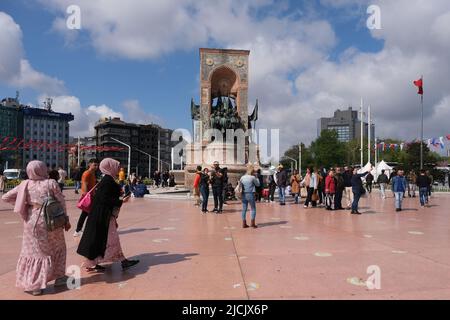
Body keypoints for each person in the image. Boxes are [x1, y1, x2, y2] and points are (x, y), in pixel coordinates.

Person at [1, 161, 71, 296]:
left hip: (31, 221)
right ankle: (59, 277)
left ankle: (35, 286)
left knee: (35, 252)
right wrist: (66, 220)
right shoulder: (51, 183)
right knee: (58, 247)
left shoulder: (25, 184)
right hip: (51, 221)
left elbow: (6, 197)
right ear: (43, 169)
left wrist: (26, 204)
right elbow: (61, 202)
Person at [77, 158, 139, 272]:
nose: (118, 169)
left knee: (102, 239)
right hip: (103, 216)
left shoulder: (106, 179)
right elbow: (104, 199)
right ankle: (123, 261)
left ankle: (92, 263)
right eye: (116, 166)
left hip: (101, 216)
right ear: (110, 167)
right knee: (111, 239)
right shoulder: (107, 181)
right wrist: (121, 201)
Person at [74, 158, 99, 237]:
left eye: (97, 165)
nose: (96, 167)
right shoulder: (87, 173)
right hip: (88, 197)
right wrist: (86, 196)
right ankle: (78, 230)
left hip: (92, 196)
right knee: (85, 214)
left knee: (88, 214)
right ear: (89, 164)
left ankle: (80, 230)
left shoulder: (92, 173)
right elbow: (84, 184)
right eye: (94, 165)